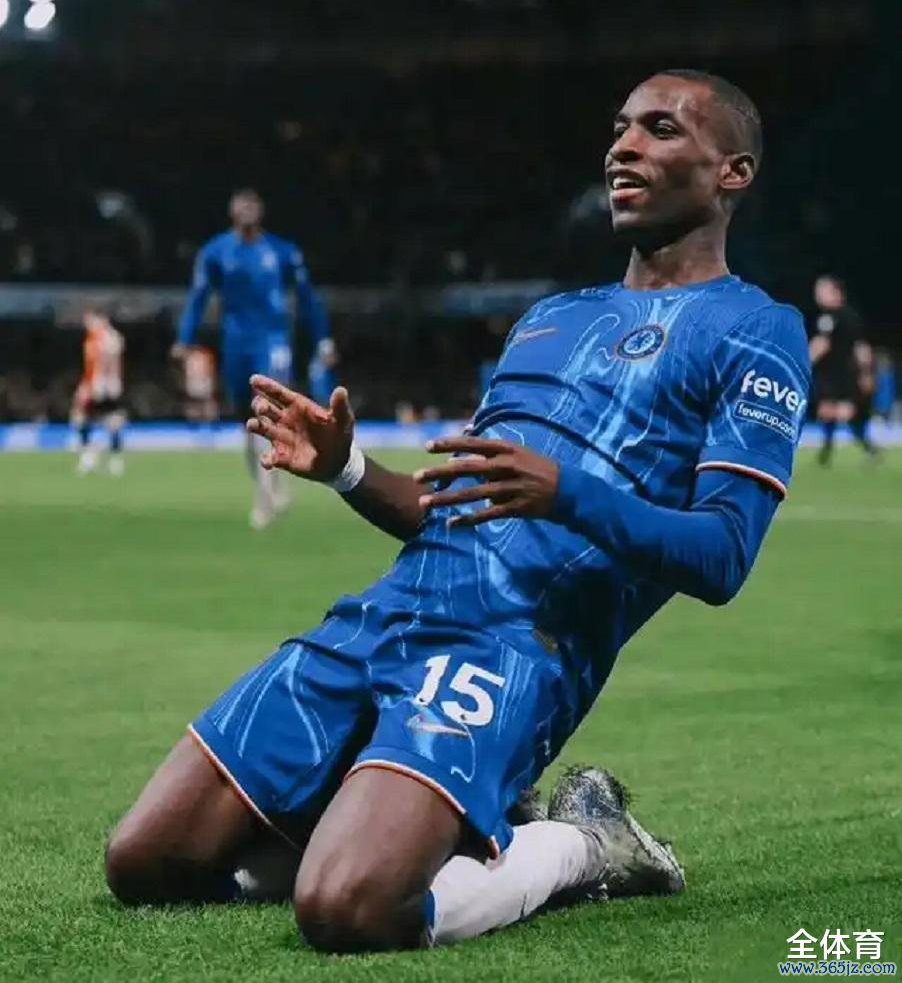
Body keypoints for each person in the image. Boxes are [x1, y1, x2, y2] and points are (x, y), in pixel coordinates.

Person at [105, 69, 811, 952]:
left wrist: (565, 492)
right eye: (620, 128)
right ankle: (402, 821)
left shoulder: (756, 330)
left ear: (732, 171)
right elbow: (451, 507)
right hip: (389, 613)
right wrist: (347, 469)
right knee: (144, 864)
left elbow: (724, 554)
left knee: (348, 911)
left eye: (660, 130)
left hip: (513, 648)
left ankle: (585, 843)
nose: (623, 148)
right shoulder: (552, 318)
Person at [172, 189, 337, 528]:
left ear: (261, 211)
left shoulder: (282, 251)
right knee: (247, 424)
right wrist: (184, 339)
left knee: (267, 411)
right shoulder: (216, 252)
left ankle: (265, 499)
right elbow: (198, 297)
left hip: (273, 341)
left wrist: (323, 339)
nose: (247, 209)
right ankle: (271, 485)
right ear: (231, 211)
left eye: (253, 204)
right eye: (241, 204)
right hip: (235, 343)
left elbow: (308, 299)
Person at [809, 274, 878, 464]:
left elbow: (822, 344)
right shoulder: (849, 316)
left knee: (840, 411)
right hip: (837, 374)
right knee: (828, 410)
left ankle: (865, 448)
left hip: (839, 375)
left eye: (822, 290)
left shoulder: (832, 318)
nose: (818, 295)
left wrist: (804, 362)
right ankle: (827, 452)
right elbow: (862, 347)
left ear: (835, 292)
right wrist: (866, 372)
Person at [72, 307, 126, 476]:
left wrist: (98, 383)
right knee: (106, 418)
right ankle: (111, 459)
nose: (86, 323)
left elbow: (108, 362)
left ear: (101, 319)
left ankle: (93, 456)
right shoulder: (97, 337)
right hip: (101, 383)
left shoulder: (107, 337)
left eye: (90, 320)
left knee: (87, 417)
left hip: (101, 384)